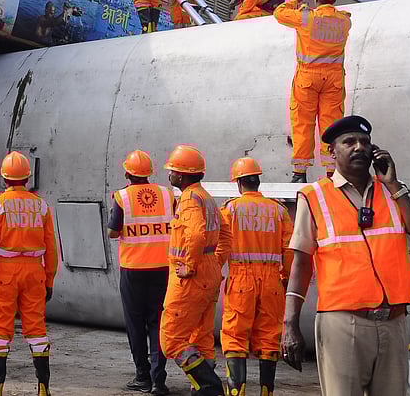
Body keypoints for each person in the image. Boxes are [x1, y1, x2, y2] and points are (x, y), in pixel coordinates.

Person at [282, 115, 410, 395]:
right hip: (342, 322)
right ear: (332, 151)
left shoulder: (392, 192)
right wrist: (289, 324)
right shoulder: (314, 196)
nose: (359, 147)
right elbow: (301, 265)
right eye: (349, 142)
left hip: (394, 321)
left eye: (365, 142)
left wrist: (395, 186)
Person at [0, 151, 59, 396]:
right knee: (36, 329)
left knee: (1, 329)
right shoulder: (41, 205)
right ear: (27, 177)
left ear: (4, 178)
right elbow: (51, 247)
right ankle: (43, 388)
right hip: (35, 271)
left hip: (4, 271)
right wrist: (50, 279)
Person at [214, 157, 293, 396]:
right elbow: (289, 248)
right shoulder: (278, 210)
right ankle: (266, 391)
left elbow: (220, 245)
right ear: (257, 181)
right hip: (272, 281)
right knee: (270, 336)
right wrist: (286, 278)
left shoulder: (230, 209)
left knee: (235, 335)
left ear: (238, 183)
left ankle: (237, 392)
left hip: (241, 279)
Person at [159, 145, 230, 396]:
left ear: (182, 175)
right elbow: (226, 234)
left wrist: (189, 265)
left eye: (172, 171)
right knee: (202, 337)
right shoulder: (207, 198)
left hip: (191, 277)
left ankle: (210, 387)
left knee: (172, 340)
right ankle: (202, 390)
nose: (170, 175)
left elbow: (197, 234)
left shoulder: (190, 199)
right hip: (209, 272)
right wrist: (215, 261)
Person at [107, 150, 174, 395]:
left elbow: (113, 232)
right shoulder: (167, 195)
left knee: (136, 325)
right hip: (163, 269)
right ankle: (159, 380)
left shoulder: (122, 197)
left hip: (133, 270)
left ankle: (142, 377)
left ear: (127, 173)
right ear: (149, 173)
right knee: (158, 324)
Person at [274, 0, 352, 182]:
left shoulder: (307, 18)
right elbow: (341, 17)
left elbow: (279, 13)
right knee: (332, 125)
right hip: (333, 80)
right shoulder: (344, 22)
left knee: (303, 123)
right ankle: (332, 172)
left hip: (308, 77)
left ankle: (300, 173)